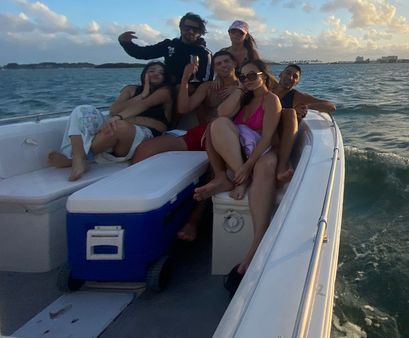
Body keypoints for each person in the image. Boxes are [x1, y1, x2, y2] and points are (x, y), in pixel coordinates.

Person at [130, 50, 240, 241]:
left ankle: (193, 221)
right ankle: (134, 204)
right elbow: (183, 108)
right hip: (201, 132)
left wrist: (239, 89)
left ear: (235, 64)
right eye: (218, 64)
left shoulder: (245, 85)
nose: (222, 66)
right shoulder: (208, 87)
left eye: (226, 62)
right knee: (146, 148)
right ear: (213, 68)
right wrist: (185, 78)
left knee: (213, 171)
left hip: (226, 134)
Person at [194, 59, 281, 284]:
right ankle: (231, 179)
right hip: (240, 153)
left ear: (264, 75)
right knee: (217, 124)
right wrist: (240, 90)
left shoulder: (271, 100)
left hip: (262, 149)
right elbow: (222, 114)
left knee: (265, 166)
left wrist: (249, 164)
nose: (247, 80)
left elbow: (268, 137)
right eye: (243, 77)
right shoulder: (244, 99)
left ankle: (256, 246)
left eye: (252, 75)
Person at [46, 62, 173, 181]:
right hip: (116, 128)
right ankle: (79, 160)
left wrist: (120, 118)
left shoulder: (165, 92)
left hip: (143, 135)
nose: (157, 73)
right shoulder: (130, 89)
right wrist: (141, 94)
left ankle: (71, 161)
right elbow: (114, 110)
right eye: (152, 70)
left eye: (161, 73)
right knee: (82, 110)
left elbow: (144, 105)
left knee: (119, 126)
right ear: (144, 74)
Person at [271, 64, 336, 184]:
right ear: (281, 75)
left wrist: (308, 106)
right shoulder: (268, 89)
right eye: (288, 73)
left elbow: (330, 106)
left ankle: (281, 168)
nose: (290, 77)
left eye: (295, 77)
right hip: (261, 131)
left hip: (277, 137)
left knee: (290, 113)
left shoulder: (297, 96)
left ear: (296, 82)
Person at [118, 12, 212, 85]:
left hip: (189, 89)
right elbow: (143, 53)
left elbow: (206, 80)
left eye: (195, 29)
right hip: (166, 87)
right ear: (181, 28)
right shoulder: (169, 46)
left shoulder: (203, 52)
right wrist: (126, 43)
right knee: (129, 90)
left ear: (200, 33)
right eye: (187, 28)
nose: (191, 31)